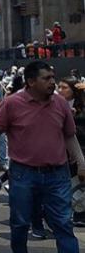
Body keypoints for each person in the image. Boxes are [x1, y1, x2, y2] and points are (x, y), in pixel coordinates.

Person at [0, 61, 85, 253]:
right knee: (20, 224)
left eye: (53, 77)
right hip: (22, 174)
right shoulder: (11, 103)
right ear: (31, 81)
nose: (53, 82)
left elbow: (69, 135)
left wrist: (81, 161)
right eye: (47, 78)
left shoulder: (60, 103)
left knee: (62, 223)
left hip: (57, 174)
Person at [59, 76, 85, 227]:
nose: (60, 90)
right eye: (59, 87)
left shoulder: (79, 108)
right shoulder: (56, 104)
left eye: (64, 87)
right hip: (67, 153)